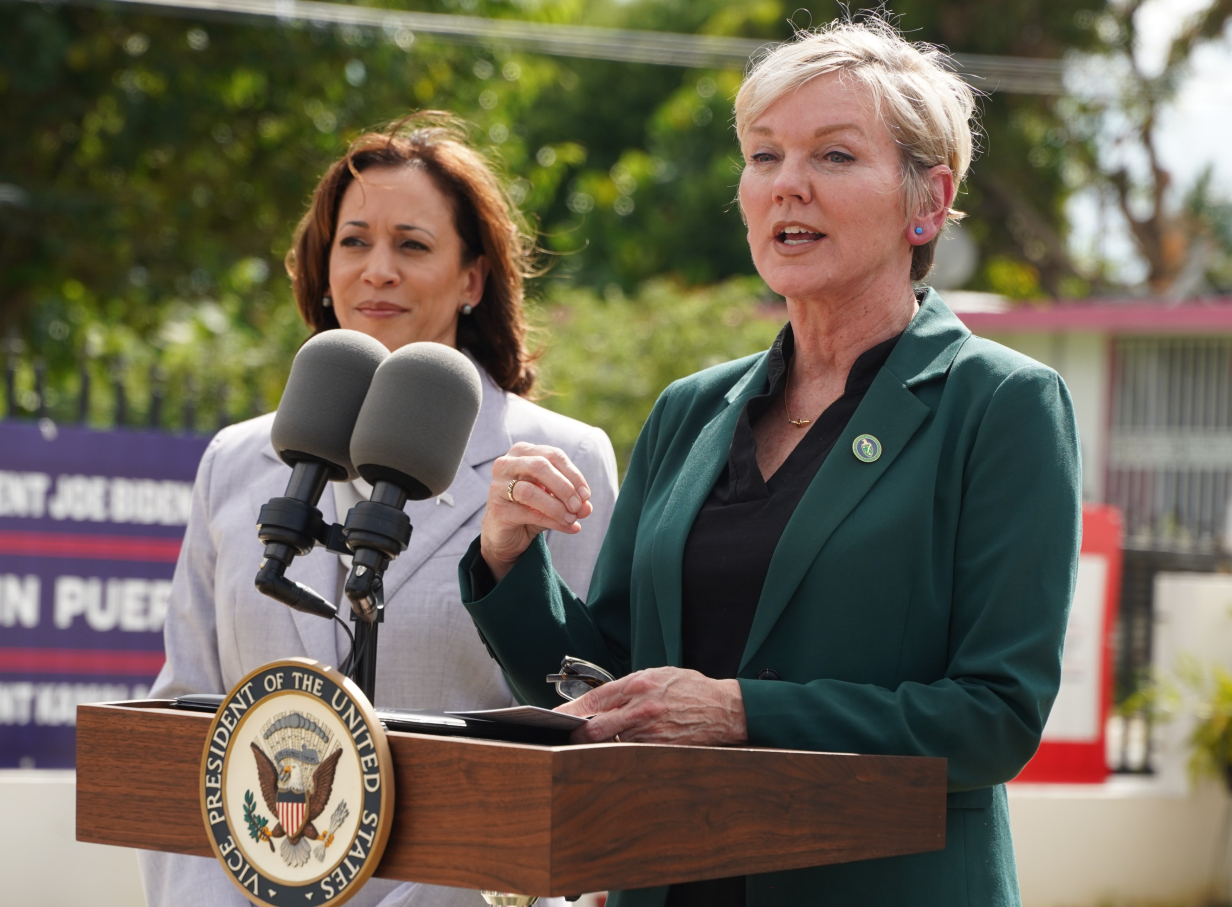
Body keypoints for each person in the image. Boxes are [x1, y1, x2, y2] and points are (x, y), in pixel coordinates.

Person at [459, 20, 1080, 907]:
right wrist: (511, 561)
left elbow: (994, 717)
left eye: (832, 156)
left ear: (928, 202)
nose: (787, 185)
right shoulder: (688, 409)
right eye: (762, 156)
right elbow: (608, 682)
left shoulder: (1003, 405)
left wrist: (741, 711)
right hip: (667, 879)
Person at [141, 114, 619, 907]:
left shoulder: (557, 457)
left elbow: (577, 719)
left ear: (473, 278)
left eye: (413, 244)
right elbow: (184, 710)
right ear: (322, 271)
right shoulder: (235, 460)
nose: (379, 270)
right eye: (354, 242)